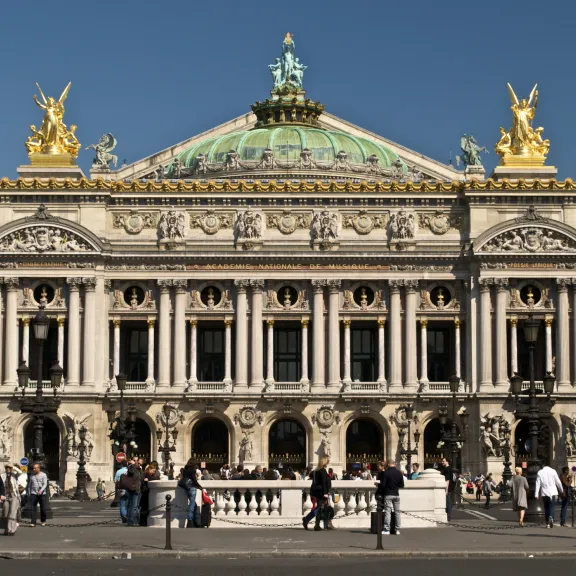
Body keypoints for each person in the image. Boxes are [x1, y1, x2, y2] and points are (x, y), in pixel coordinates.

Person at [302, 456, 333, 531]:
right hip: (322, 492)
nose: (328, 463)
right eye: (327, 461)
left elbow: (311, 475)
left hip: (317, 491)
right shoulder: (322, 471)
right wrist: (325, 493)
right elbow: (323, 483)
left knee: (323, 508)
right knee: (319, 509)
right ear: (324, 462)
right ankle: (307, 519)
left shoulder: (316, 470)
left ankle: (321, 525)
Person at [376, 459, 404, 536]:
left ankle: (386, 529)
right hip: (396, 494)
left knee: (388, 512)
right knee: (397, 512)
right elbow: (402, 485)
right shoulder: (399, 473)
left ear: (388, 464)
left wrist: (378, 484)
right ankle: (397, 529)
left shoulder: (386, 473)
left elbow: (383, 485)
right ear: (394, 464)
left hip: (388, 494)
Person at [535, 463, 564, 528]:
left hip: (544, 493)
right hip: (552, 492)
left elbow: (538, 483)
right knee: (552, 507)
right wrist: (561, 490)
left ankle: (547, 523)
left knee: (546, 507)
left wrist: (536, 494)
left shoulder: (540, 472)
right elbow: (558, 482)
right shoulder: (553, 471)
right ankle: (551, 517)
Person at [178, 459, 202, 528]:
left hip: (186, 488)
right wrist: (200, 487)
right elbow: (194, 480)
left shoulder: (185, 469)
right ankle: (190, 521)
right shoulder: (192, 470)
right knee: (192, 505)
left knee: (194, 504)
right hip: (192, 488)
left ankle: (194, 521)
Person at [1, 464, 22, 535]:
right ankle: (6, 529)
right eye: (7, 468)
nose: (8, 469)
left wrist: (14, 467)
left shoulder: (14, 475)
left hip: (13, 496)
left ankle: (12, 530)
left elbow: (20, 472)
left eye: (9, 468)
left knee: (12, 513)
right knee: (5, 512)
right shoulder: (2, 475)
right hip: (5, 496)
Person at [140, 462, 160, 526]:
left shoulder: (149, 474)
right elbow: (151, 480)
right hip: (145, 493)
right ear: (150, 469)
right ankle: (143, 522)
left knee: (146, 507)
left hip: (147, 493)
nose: (154, 472)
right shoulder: (146, 474)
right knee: (145, 507)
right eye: (153, 470)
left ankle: (144, 521)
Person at [27, 463, 48, 527]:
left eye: (35, 468)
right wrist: (29, 493)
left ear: (38, 468)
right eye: (33, 468)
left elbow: (45, 484)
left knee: (43, 508)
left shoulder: (43, 475)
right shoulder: (31, 476)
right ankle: (33, 522)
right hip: (34, 493)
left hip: (42, 493)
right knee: (33, 508)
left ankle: (43, 521)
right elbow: (29, 485)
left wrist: (41, 490)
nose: (33, 469)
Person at [124, 458, 143, 527]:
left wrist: (139, 469)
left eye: (137, 461)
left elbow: (141, 478)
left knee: (134, 506)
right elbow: (131, 472)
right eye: (135, 460)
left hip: (138, 489)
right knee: (133, 506)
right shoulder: (132, 468)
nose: (137, 462)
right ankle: (132, 521)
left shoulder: (139, 469)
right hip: (133, 489)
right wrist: (133, 465)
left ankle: (133, 520)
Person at [114, 459, 129, 523]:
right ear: (127, 464)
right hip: (129, 489)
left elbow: (115, 481)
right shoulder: (129, 471)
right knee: (129, 503)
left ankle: (124, 517)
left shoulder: (118, 471)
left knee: (122, 503)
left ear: (122, 464)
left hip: (121, 489)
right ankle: (128, 516)